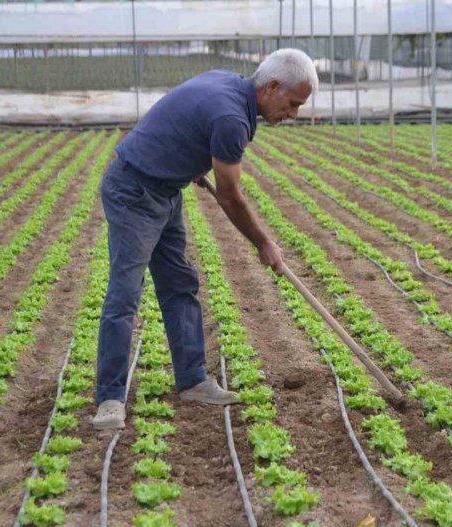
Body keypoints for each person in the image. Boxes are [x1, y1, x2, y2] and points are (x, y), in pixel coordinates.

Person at [92, 49, 317, 431]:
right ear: (272, 87)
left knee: (180, 283)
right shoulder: (231, 119)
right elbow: (229, 195)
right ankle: (110, 397)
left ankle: (193, 380)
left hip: (165, 189)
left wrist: (189, 158)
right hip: (133, 190)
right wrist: (263, 243)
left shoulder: (227, 83)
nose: (293, 115)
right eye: (293, 104)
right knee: (125, 292)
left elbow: (185, 117)